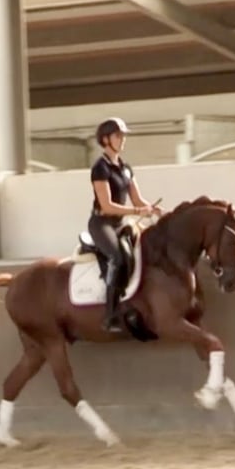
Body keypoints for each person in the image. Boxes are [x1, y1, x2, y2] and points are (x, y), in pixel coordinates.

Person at [88, 117, 163, 333]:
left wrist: (154, 210)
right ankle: (110, 315)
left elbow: (138, 200)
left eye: (123, 136)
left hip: (121, 223)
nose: (123, 140)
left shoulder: (126, 168)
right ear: (105, 139)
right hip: (102, 223)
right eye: (118, 136)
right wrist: (136, 212)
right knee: (117, 257)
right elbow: (107, 205)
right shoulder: (100, 168)